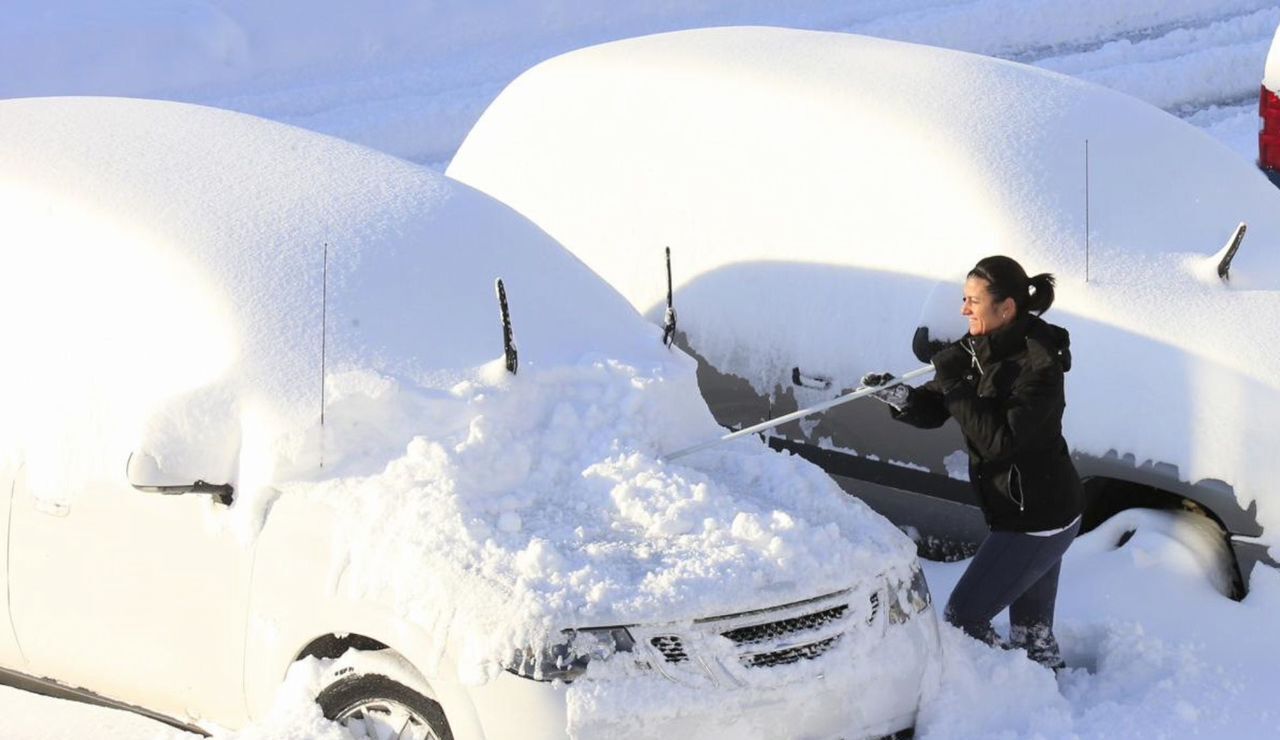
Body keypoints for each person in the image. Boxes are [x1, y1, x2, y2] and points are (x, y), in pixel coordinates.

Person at [864, 255, 1083, 671]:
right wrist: (902, 398)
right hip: (1030, 509)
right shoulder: (982, 345)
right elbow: (941, 405)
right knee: (1031, 632)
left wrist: (952, 381)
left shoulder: (1039, 367)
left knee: (963, 618)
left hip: (1037, 520)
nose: (963, 310)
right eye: (964, 299)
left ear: (1007, 308)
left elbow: (1000, 441)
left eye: (973, 301)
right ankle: (1042, 684)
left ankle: (1003, 687)